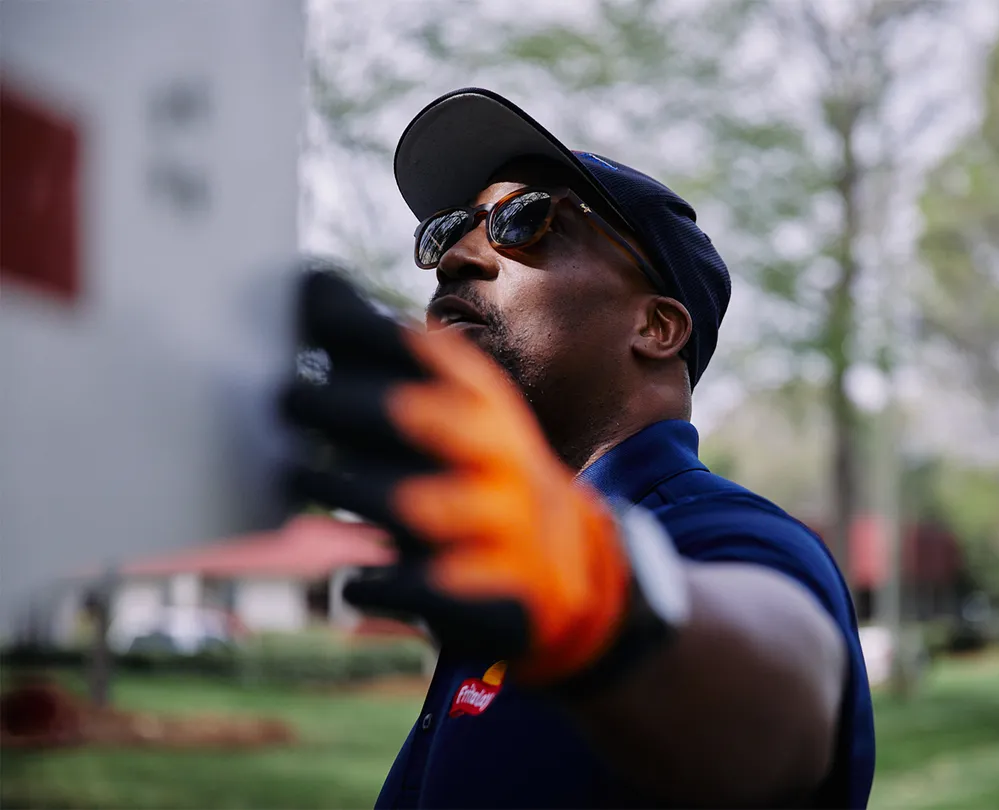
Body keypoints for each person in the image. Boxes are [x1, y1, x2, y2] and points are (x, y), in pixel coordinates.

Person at [283, 88, 875, 809]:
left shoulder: (720, 538)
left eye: (525, 220)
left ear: (657, 327)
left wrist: (600, 599)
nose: (458, 259)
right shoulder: (506, 558)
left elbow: (792, 703)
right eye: (445, 232)